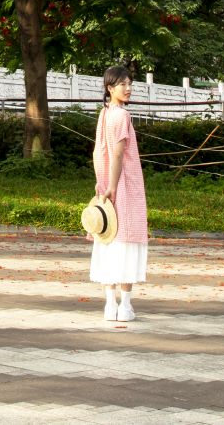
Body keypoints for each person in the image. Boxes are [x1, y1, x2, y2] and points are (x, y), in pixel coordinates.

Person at [91, 65, 148, 322]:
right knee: (127, 239)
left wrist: (101, 182)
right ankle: (125, 306)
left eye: (129, 83)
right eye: (122, 84)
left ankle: (109, 305)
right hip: (125, 183)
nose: (128, 88)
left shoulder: (104, 114)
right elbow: (117, 153)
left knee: (108, 238)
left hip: (106, 181)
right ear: (110, 88)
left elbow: (97, 152)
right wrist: (113, 185)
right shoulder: (122, 116)